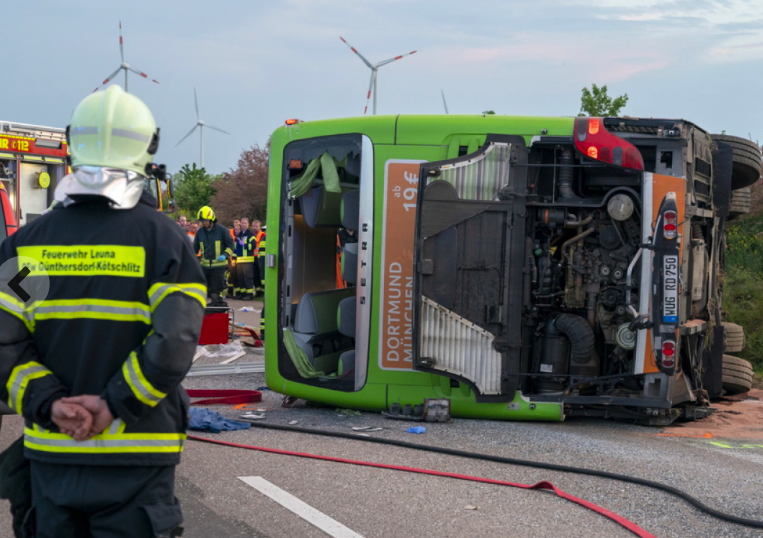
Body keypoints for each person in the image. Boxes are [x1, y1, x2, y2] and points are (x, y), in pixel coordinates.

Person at [0, 85, 205, 538]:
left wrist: (51, 404)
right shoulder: (165, 242)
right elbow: (174, 341)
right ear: (147, 147)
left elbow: (4, 343)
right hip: (137, 454)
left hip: (53, 454)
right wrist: (113, 404)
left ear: (73, 144)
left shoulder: (28, 245)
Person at [194, 205, 234, 307]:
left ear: (212, 219)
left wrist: (225, 255)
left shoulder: (222, 230)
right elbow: (195, 248)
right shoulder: (200, 232)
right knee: (202, 289)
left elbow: (230, 245)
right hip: (205, 266)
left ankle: (217, 309)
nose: (204, 223)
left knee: (216, 291)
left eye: (206, 220)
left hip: (219, 267)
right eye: (202, 221)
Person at [235, 217, 256, 300]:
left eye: (245, 223)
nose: (243, 225)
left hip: (247, 260)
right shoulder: (239, 234)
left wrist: (245, 245)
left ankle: (250, 294)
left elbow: (253, 246)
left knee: (248, 278)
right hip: (239, 260)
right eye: (242, 223)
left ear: (248, 224)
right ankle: (243, 293)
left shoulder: (251, 234)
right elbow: (235, 247)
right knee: (240, 278)